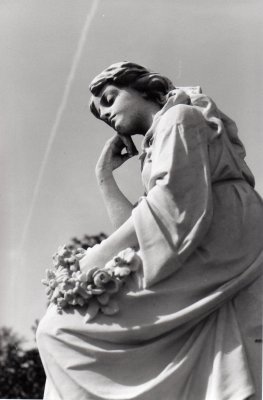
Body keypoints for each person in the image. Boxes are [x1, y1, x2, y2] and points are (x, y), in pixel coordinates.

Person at [36, 62, 263, 400]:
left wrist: (96, 257)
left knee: (59, 328)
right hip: (196, 236)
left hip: (216, 238)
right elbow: (145, 234)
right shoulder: (161, 138)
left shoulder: (179, 118)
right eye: (101, 114)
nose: (107, 114)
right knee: (60, 326)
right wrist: (104, 176)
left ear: (145, 88)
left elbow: (168, 213)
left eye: (110, 99)